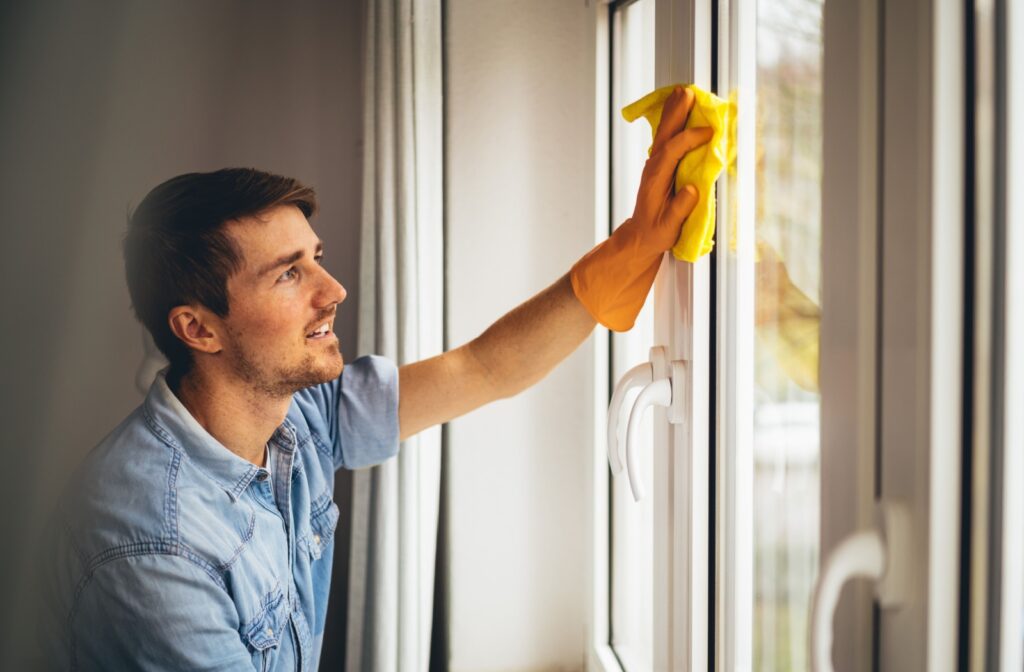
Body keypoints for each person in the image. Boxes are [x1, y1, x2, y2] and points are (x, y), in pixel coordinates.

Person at [34, 87, 711, 670]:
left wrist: (630, 250)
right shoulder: (151, 545)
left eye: (316, 258)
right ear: (199, 329)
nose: (334, 290)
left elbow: (482, 368)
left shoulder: (292, 413)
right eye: (289, 273)